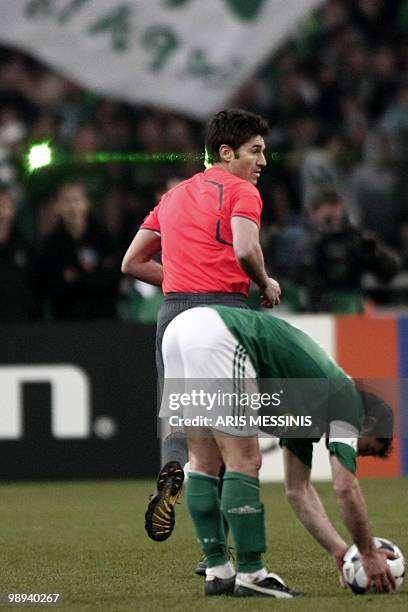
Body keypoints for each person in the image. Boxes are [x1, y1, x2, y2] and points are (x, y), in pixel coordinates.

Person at [121, 109, 281, 542]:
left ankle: (171, 467)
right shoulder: (242, 191)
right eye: (256, 151)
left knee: (181, 417)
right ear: (226, 152)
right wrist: (264, 282)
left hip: (173, 316)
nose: (263, 161)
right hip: (223, 314)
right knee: (232, 442)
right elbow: (247, 249)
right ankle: (221, 553)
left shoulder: (172, 197)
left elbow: (132, 262)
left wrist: (178, 280)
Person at [159, 305, 396, 596]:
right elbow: (345, 487)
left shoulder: (310, 413)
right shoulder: (346, 397)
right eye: (368, 449)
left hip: (178, 332)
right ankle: (252, 575)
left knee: (203, 462)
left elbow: (298, 490)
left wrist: (340, 551)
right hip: (222, 335)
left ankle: (219, 572)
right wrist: (368, 552)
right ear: (369, 422)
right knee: (244, 461)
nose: (359, 455)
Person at [40, 181, 121, 320]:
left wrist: (77, 278)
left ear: (87, 203)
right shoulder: (51, 245)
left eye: (76, 200)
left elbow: (113, 280)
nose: (72, 207)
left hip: (103, 321)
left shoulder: (104, 240)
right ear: (58, 206)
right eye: (66, 201)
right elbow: (48, 285)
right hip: (65, 323)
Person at [0, 186, 39, 321]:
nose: (2, 212)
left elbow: (35, 284)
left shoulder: (24, 245)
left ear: (13, 210)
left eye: (5, 206)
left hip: (20, 324)